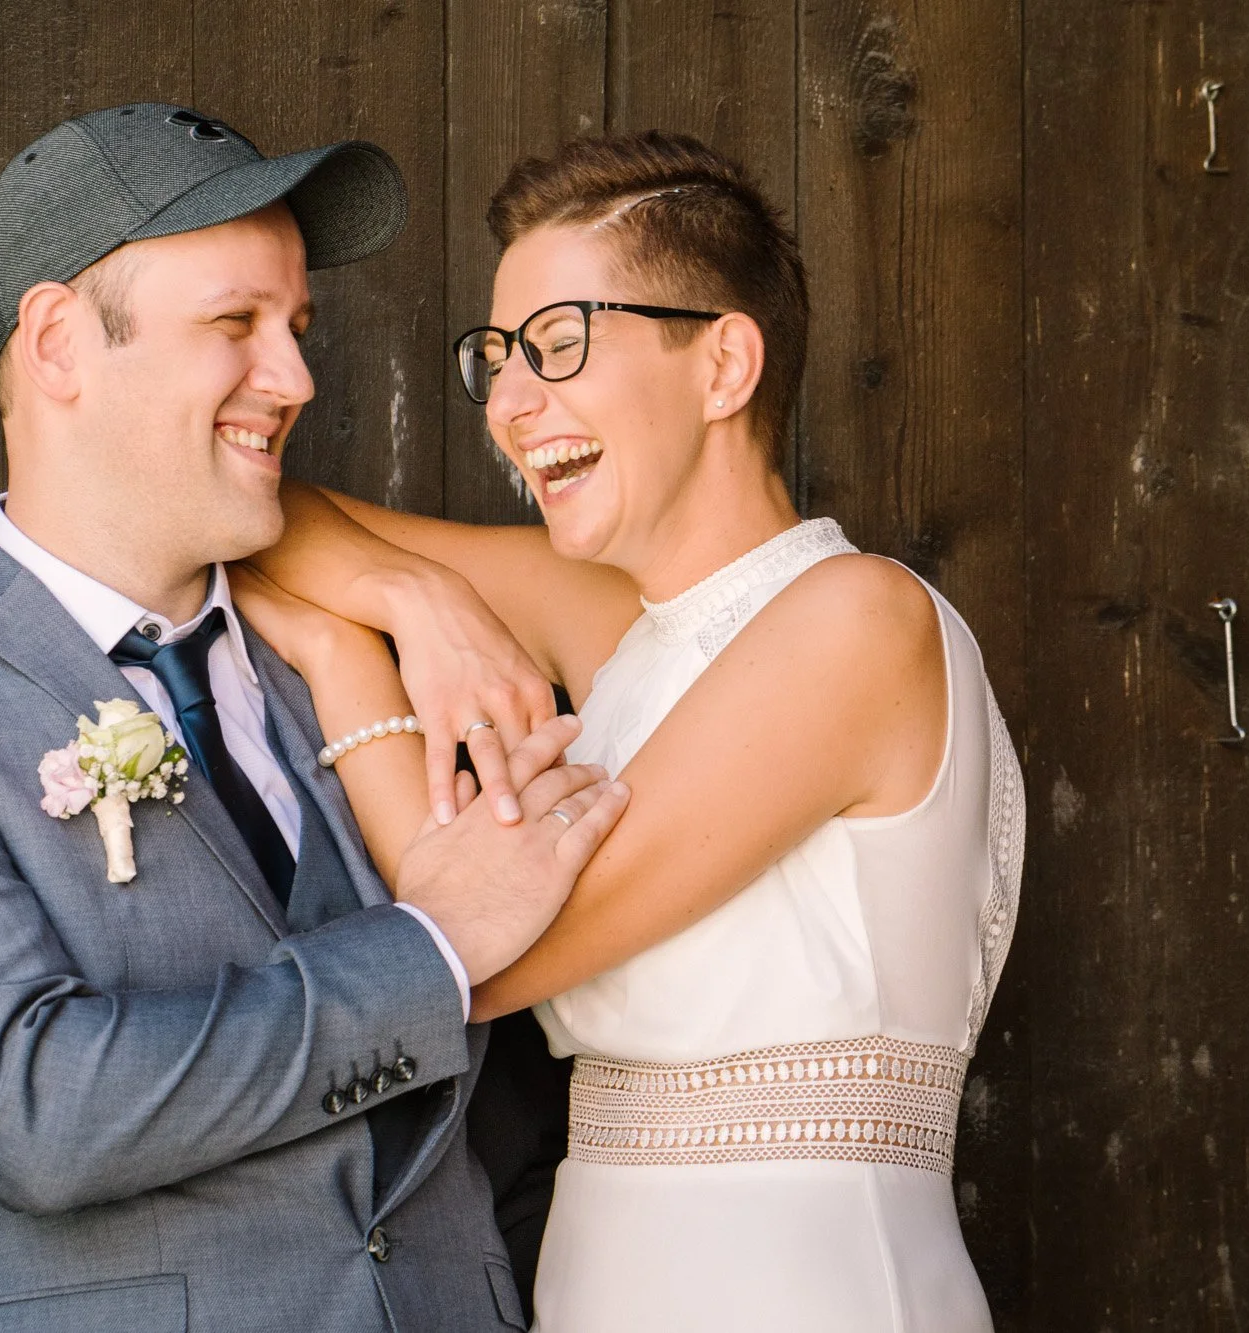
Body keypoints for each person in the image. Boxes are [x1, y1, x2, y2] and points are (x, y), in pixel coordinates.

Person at [0, 104, 630, 1333]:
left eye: (296, 327)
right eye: (234, 323)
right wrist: (431, 946)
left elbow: (517, 1116)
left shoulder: (385, 670)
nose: (298, 377)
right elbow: (39, 1110)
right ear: (57, 343)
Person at [244, 130, 1026, 1330]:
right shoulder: (619, 617)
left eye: (558, 345)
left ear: (723, 365)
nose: (508, 405)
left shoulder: (859, 622)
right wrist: (418, 602)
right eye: (497, 358)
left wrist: (346, 655)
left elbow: (477, 956)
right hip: (602, 1273)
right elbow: (248, 515)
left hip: (812, 1289)